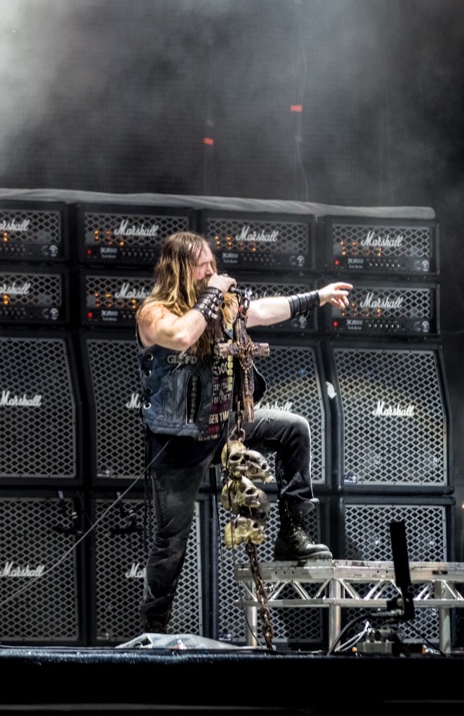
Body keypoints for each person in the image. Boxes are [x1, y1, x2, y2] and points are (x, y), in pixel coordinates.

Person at [135, 231, 352, 634]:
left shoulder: (223, 307)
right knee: (171, 541)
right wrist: (213, 295)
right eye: (202, 264)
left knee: (295, 429)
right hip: (177, 440)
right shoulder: (154, 314)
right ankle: (155, 626)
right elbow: (185, 334)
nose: (212, 269)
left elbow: (268, 310)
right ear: (181, 268)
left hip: (224, 423)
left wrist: (317, 297)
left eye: (212, 262)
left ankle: (292, 533)